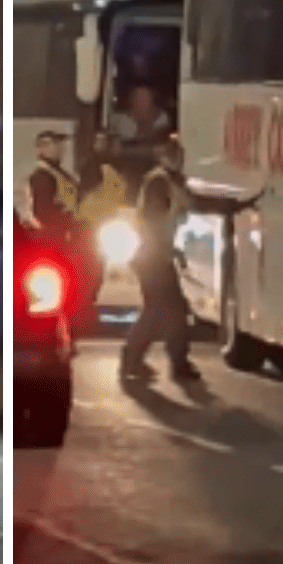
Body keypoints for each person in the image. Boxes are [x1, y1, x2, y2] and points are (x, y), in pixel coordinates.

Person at [120, 138, 200, 382]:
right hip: (152, 257)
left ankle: (135, 360)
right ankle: (173, 363)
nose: (179, 159)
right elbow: (155, 220)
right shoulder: (160, 181)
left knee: (158, 310)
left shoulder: (168, 181)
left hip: (152, 256)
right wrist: (168, 249)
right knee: (169, 310)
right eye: (175, 155)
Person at [26, 131, 98, 328]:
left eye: (60, 144)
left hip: (70, 237)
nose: (60, 149)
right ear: (40, 149)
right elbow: (44, 211)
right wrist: (70, 224)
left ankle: (75, 321)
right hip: (57, 240)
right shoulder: (42, 176)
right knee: (68, 283)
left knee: (80, 279)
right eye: (54, 144)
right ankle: (68, 324)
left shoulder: (58, 174)